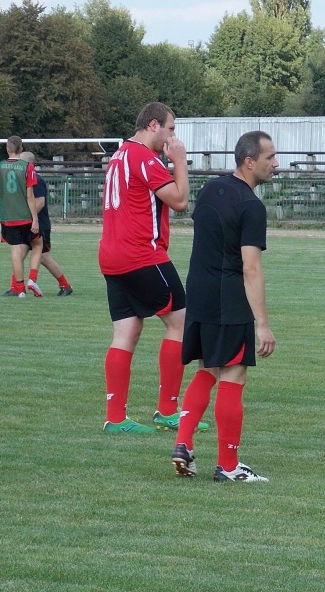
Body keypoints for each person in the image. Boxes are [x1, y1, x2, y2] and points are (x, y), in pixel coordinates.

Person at [171, 130, 278, 483]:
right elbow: (251, 268)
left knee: (207, 369)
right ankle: (228, 466)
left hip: (198, 291)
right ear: (249, 161)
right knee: (234, 374)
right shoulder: (251, 206)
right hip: (228, 296)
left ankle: (183, 443)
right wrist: (262, 324)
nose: (276, 164)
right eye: (269, 158)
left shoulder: (210, 189)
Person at [99, 101, 208, 434]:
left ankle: (115, 418)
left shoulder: (119, 155)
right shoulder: (144, 157)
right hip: (141, 255)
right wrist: (180, 162)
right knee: (181, 323)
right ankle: (167, 410)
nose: (173, 136)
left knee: (126, 332)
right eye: (171, 129)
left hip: (112, 255)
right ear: (153, 126)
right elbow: (180, 201)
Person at [0, 135, 43, 298]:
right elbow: (30, 196)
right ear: (21, 149)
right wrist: (35, 219)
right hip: (25, 216)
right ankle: (32, 279)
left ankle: (19, 289)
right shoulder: (27, 167)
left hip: (8, 216)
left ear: (7, 148)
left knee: (15, 250)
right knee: (38, 244)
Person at [20, 152, 73, 296]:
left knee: (43, 257)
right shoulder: (24, 179)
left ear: (28, 165)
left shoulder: (36, 179)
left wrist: (25, 217)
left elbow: (40, 202)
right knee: (18, 254)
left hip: (40, 225)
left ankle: (65, 286)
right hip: (27, 224)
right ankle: (16, 288)